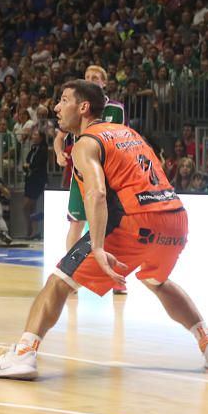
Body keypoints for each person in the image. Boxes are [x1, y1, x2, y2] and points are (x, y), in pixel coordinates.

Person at [0, 80, 208, 380]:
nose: (56, 107)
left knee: (58, 283)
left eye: (63, 99)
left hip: (132, 221)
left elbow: (95, 194)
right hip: (174, 217)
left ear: (83, 107)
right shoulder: (128, 132)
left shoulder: (86, 142)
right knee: (156, 280)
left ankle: (23, 354)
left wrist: (97, 247)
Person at [53, 65, 128, 293]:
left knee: (118, 226)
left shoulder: (115, 109)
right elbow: (59, 137)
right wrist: (58, 153)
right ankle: (71, 276)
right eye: (87, 77)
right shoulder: (75, 108)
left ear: (104, 82)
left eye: (95, 77)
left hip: (109, 171)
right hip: (82, 171)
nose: (91, 80)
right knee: (76, 222)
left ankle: (118, 280)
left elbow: (120, 136)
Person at [22, 129, 48, 240]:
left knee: (28, 205)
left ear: (41, 137)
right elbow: (27, 160)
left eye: (35, 134)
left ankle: (34, 230)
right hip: (30, 179)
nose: (33, 136)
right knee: (29, 208)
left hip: (37, 180)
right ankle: (32, 230)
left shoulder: (43, 149)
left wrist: (29, 166)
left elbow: (38, 164)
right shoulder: (33, 148)